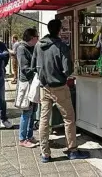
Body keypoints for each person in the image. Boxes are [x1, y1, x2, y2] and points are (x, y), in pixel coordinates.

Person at [32, 19, 89, 162]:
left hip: (44, 86)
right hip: (59, 87)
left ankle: (45, 153)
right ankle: (72, 150)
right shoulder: (62, 46)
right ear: (59, 30)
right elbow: (67, 69)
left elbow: (34, 65)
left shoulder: (39, 45)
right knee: (69, 118)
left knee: (44, 120)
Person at [17, 28, 39, 148]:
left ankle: (29, 136)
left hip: (34, 82)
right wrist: (37, 69)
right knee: (27, 111)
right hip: (27, 83)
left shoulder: (33, 48)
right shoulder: (21, 48)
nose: (38, 39)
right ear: (31, 38)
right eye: (37, 36)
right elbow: (24, 68)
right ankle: (22, 138)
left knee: (33, 111)